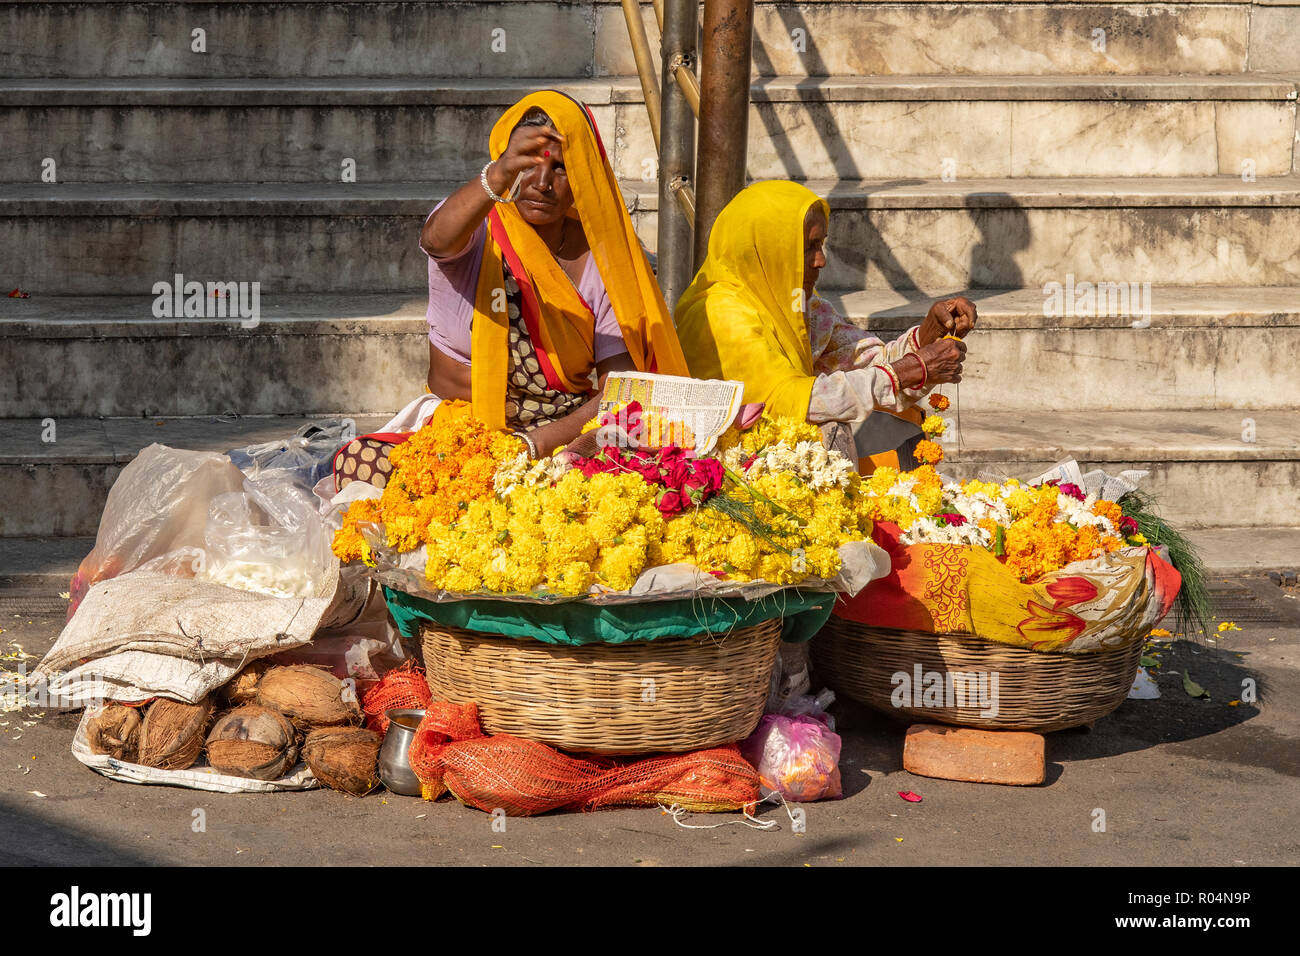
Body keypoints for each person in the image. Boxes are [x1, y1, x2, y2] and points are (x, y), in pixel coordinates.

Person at [334, 89, 689, 489]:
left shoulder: (605, 260)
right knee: (359, 462)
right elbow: (436, 240)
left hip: (557, 436)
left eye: (561, 168)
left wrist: (534, 446)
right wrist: (498, 176)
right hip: (459, 434)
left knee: (625, 482)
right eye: (527, 165)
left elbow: (620, 389)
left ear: (585, 178)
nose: (542, 183)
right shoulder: (476, 226)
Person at [674, 179, 975, 471]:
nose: (821, 261)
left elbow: (866, 362)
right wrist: (908, 369)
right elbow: (792, 402)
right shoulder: (716, 312)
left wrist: (927, 336)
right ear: (770, 249)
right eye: (808, 247)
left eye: (821, 245)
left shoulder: (798, 304)